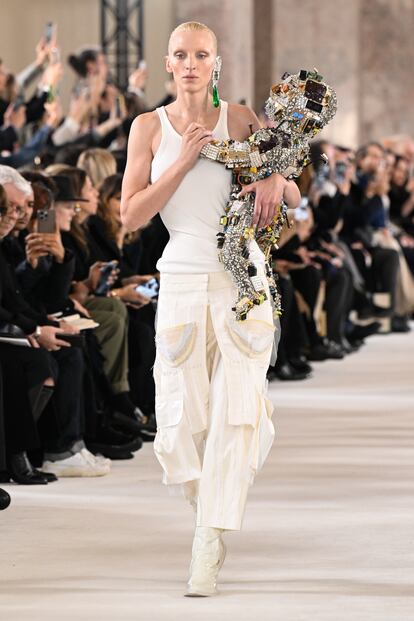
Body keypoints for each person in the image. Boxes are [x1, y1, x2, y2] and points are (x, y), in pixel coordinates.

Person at [121, 21, 300, 597]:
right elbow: (129, 216)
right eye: (180, 54)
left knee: (236, 409)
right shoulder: (148, 127)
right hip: (179, 274)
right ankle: (210, 514)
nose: (191, 63)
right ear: (169, 64)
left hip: (242, 276)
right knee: (178, 423)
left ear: (215, 63)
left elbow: (294, 192)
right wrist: (182, 162)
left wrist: (275, 175)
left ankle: (206, 540)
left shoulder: (244, 119)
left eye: (201, 54)